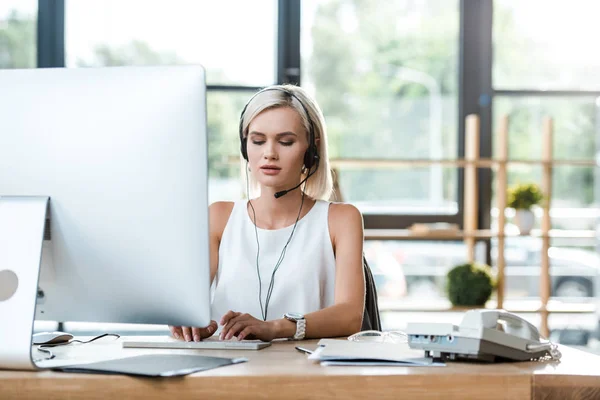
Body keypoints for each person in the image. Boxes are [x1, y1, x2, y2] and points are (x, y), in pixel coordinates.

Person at [169, 84, 365, 342]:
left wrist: (274, 328)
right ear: (245, 148)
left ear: (312, 149)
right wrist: (188, 323)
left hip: (304, 372)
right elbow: (184, 305)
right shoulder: (219, 217)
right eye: (258, 141)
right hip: (222, 369)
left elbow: (350, 316)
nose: (269, 153)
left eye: (286, 142)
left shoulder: (341, 220)